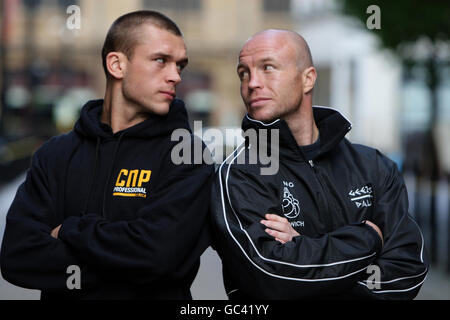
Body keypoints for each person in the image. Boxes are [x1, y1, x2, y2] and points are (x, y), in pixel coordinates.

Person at [0, 10, 214, 299]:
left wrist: (70, 231)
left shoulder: (188, 155)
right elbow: (18, 256)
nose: (175, 76)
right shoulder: (55, 154)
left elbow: (159, 256)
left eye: (180, 65)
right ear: (116, 64)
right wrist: (125, 269)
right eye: (161, 60)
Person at [210, 29, 428, 299]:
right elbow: (271, 275)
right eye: (243, 73)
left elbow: (406, 271)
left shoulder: (373, 166)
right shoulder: (239, 174)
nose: (252, 82)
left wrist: (302, 248)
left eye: (268, 68)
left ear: (308, 79)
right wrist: (368, 238)